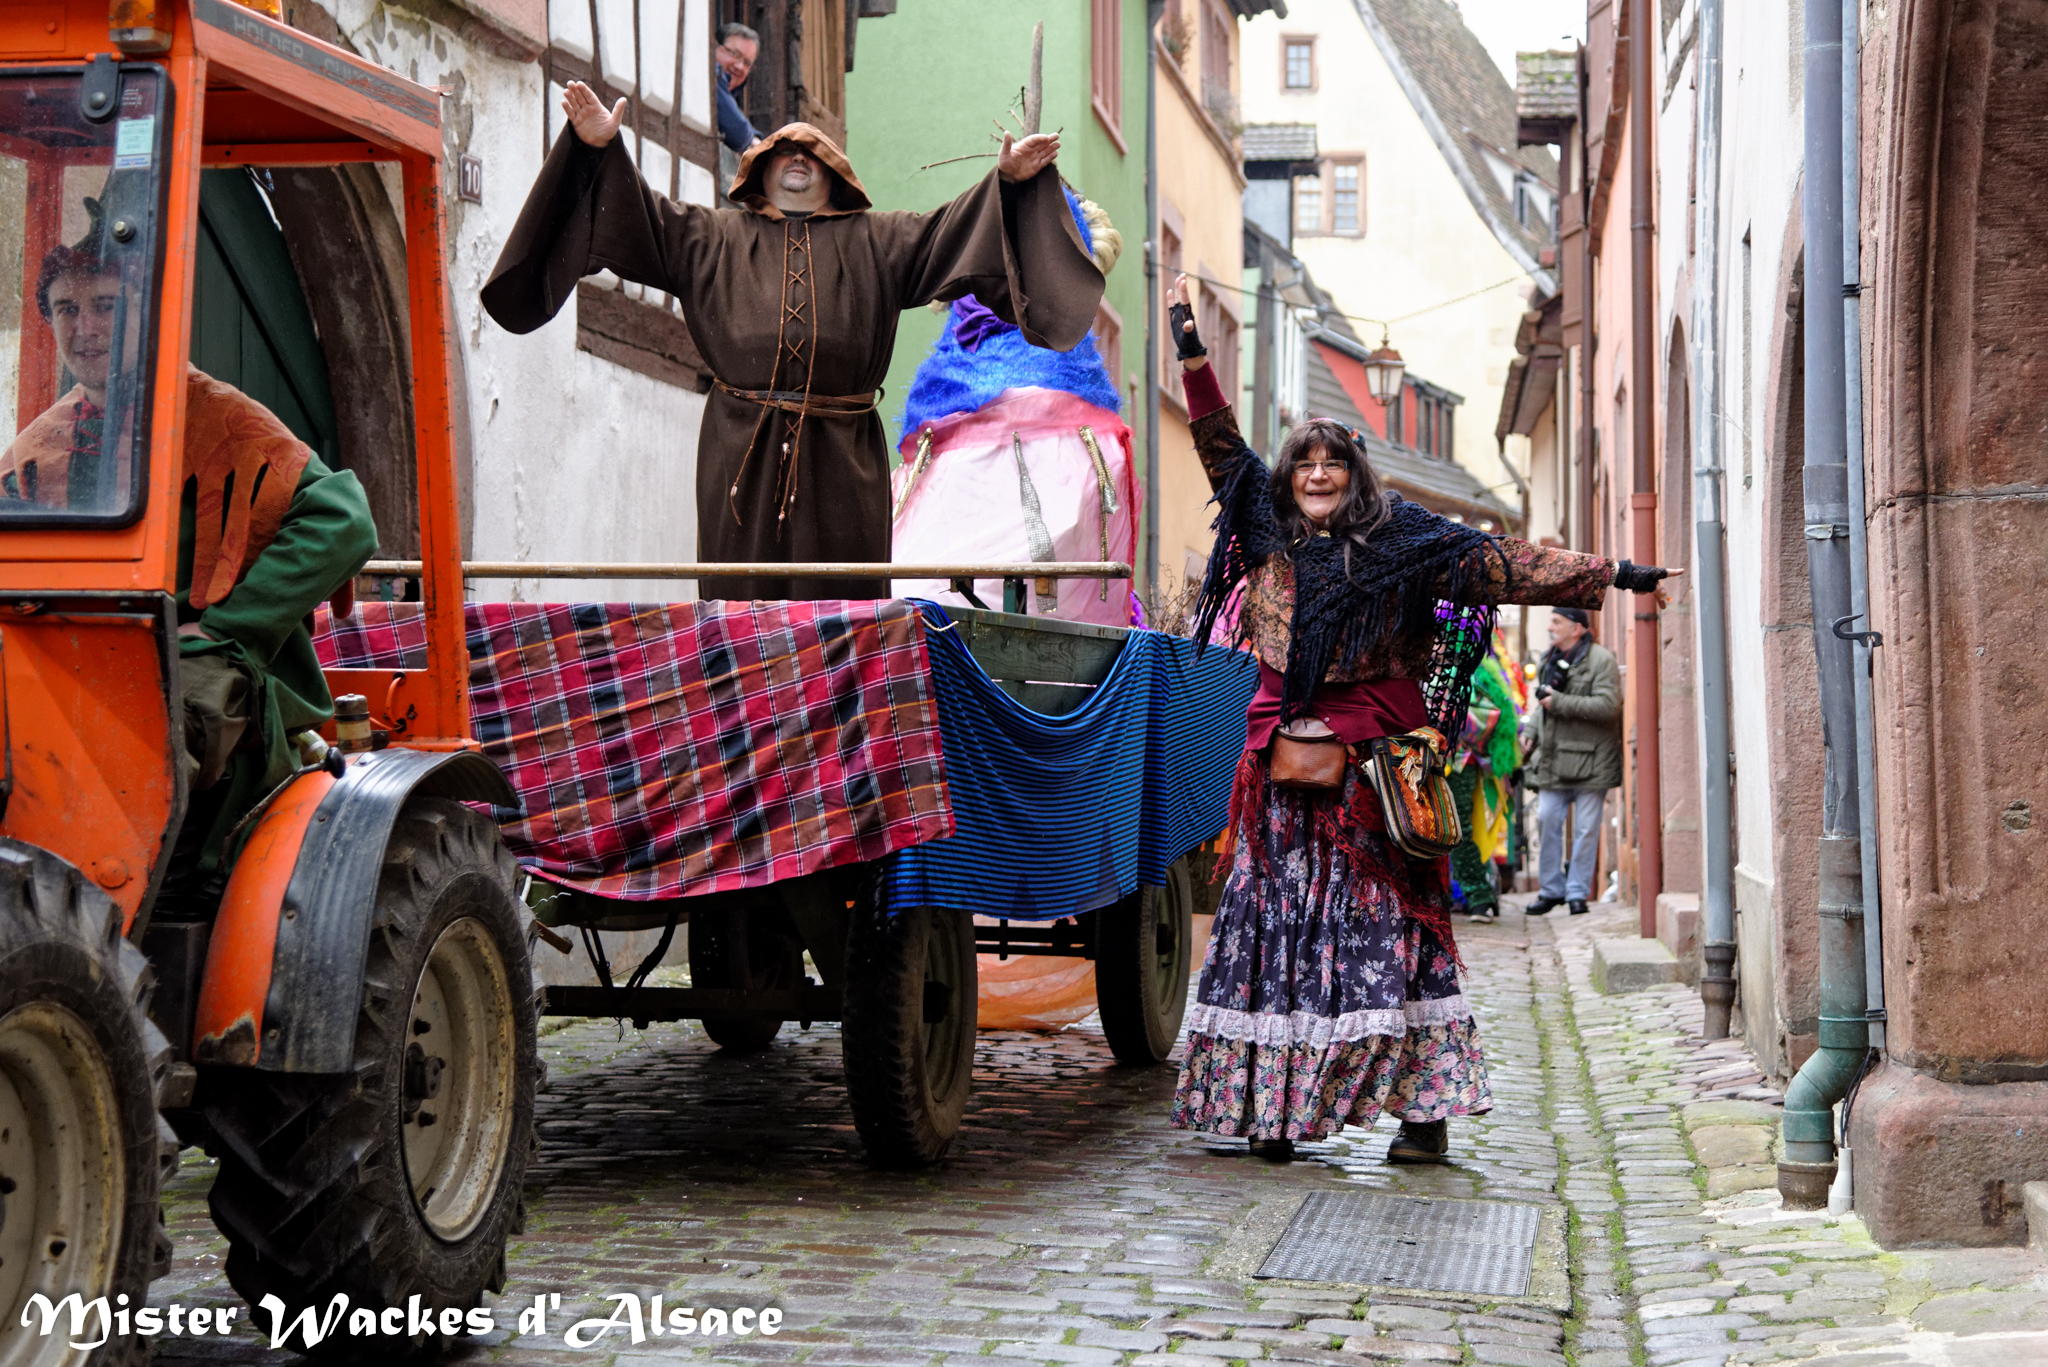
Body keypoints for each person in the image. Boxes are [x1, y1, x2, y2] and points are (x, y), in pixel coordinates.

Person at [1160, 275, 1677, 1165]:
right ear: (1287, 478)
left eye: (1334, 463)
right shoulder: (1265, 529)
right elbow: (1215, 441)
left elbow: (1512, 564)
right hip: (1281, 777)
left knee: (1392, 936)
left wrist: (1618, 574)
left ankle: (1423, 1115)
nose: (1316, 475)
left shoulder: (1412, 545)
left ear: (1357, 475)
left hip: (1377, 783)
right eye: (1304, 463)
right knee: (1273, 934)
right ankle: (1277, 1110)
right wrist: (1188, 342)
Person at [482, 85, 1106, 601]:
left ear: (838, 177)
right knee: (738, 611)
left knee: (841, 615)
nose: (798, 162)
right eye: (783, 155)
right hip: (739, 450)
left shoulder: (879, 241)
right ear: (760, 171)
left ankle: (838, 737)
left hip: (844, 458)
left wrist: (1007, 182)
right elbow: (638, 215)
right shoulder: (710, 238)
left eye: (813, 157)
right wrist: (599, 147)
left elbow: (954, 227)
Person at [3, 220, 379, 894]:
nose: (84, 327)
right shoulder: (40, 448)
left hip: (203, 660)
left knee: (143, 739)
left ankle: (138, 900)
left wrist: (231, 624)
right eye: (67, 308)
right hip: (76, 659)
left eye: (106, 307)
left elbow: (345, 520)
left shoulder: (216, 417)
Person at [1526, 607, 1622, 916]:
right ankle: (1551, 890)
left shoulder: (1600, 660)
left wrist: (1561, 702)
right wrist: (1530, 731)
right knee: (1546, 818)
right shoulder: (1548, 659)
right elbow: (1542, 705)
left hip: (1592, 759)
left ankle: (1577, 893)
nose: (1550, 628)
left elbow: (1609, 706)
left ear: (1577, 628)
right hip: (1555, 759)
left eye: (1557, 622)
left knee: (1585, 830)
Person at [714, 22, 761, 154]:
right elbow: (737, 132)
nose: (740, 66)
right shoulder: (712, 74)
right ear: (715, 47)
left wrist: (753, 137)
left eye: (747, 63)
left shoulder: (729, 97)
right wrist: (752, 139)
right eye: (735, 54)